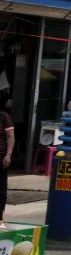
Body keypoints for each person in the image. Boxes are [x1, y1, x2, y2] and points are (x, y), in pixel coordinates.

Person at [0, 94, 12, 228]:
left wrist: (8, 155)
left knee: (1, 190)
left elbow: (10, 136)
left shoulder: (4, 117)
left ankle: (0, 217)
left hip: (1, 158)